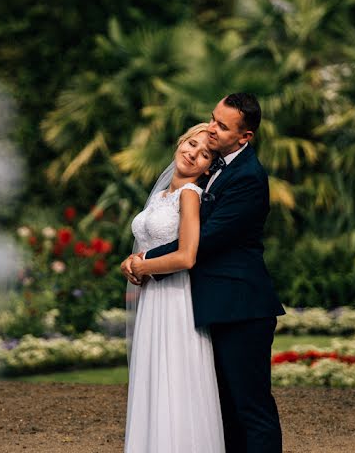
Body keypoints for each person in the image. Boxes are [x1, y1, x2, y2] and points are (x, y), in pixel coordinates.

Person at [122, 93, 285, 453]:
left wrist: (143, 262)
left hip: (241, 307)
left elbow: (205, 241)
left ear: (245, 137)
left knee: (250, 409)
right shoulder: (211, 169)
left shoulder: (248, 177)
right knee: (221, 409)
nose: (212, 129)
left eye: (222, 126)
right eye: (213, 118)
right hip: (207, 306)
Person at [122, 122, 225, 453]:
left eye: (205, 153)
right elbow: (151, 244)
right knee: (153, 377)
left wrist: (144, 266)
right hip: (153, 298)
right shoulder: (160, 197)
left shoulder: (190, 196)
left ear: (209, 167)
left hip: (176, 297)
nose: (193, 153)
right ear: (180, 144)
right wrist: (132, 262)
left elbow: (187, 255)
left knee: (175, 378)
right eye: (191, 144)